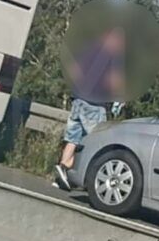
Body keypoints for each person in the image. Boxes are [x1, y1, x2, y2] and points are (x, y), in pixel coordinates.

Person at [52, 26, 125, 191]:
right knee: (97, 142)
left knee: (73, 139)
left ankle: (62, 174)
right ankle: (85, 178)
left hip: (78, 101)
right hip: (94, 105)